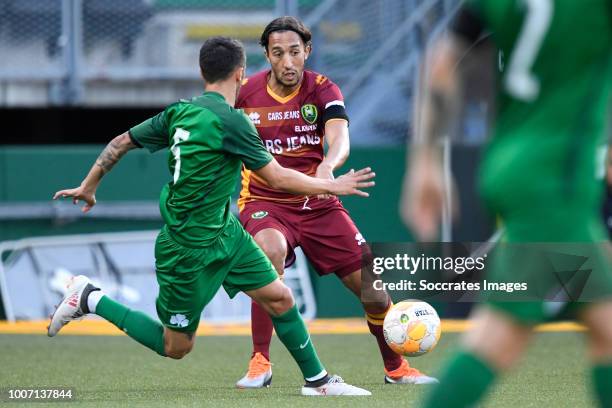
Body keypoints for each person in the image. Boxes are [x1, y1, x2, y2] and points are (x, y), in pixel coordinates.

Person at [48, 36, 375, 397]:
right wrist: (332, 186)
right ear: (241, 73)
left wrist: (89, 185)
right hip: (187, 249)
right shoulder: (232, 122)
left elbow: (120, 143)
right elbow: (278, 177)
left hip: (225, 232)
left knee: (280, 297)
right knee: (176, 347)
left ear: (202, 72)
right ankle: (89, 298)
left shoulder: (179, 112)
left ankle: (318, 381)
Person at [402, 1, 612, 406]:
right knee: (497, 337)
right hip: (557, 180)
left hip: (512, 166)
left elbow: (442, 66)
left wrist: (424, 163)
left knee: (607, 328)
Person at [235, 16, 437, 388]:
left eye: (295, 52)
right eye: (278, 53)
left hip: (319, 201)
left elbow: (339, 136)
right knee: (269, 255)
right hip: (265, 202)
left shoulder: (323, 89)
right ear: (266, 54)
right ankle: (259, 362)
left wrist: (328, 166)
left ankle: (396, 368)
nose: (288, 62)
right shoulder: (244, 93)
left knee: (374, 291)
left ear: (307, 51)